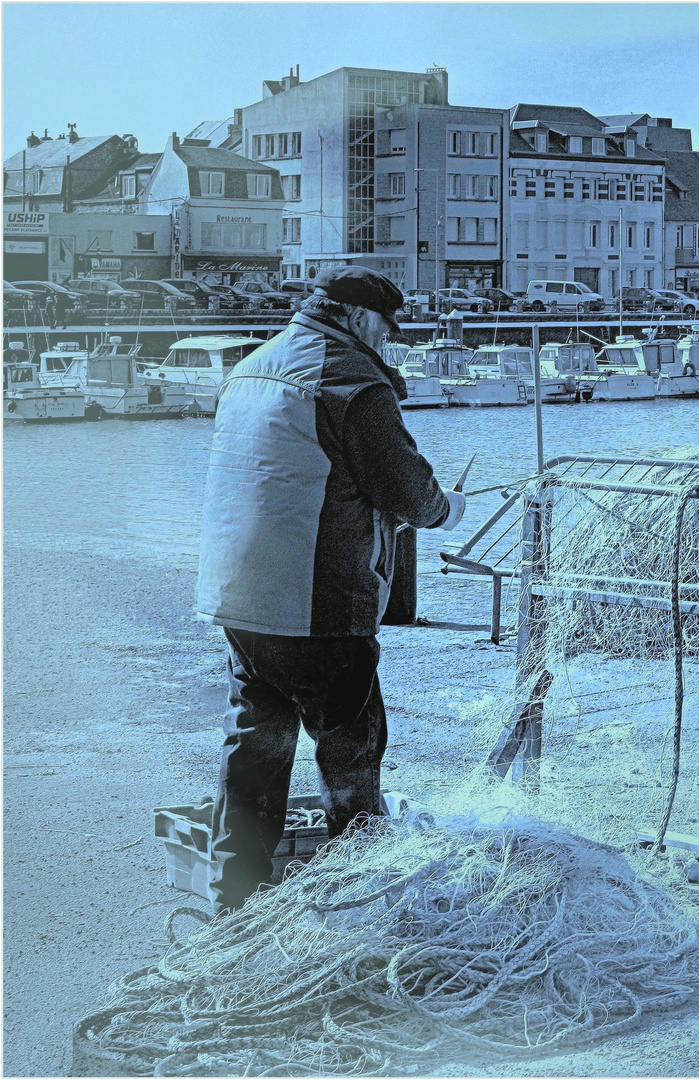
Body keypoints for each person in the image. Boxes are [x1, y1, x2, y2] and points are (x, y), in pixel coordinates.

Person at [195, 266, 466, 912]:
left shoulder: (253, 364)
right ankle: (357, 906)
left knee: (256, 751)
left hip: (239, 599)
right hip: (316, 606)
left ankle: (234, 908)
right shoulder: (352, 380)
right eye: (386, 328)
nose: (389, 342)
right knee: (350, 751)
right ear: (356, 318)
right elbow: (407, 489)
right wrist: (446, 509)